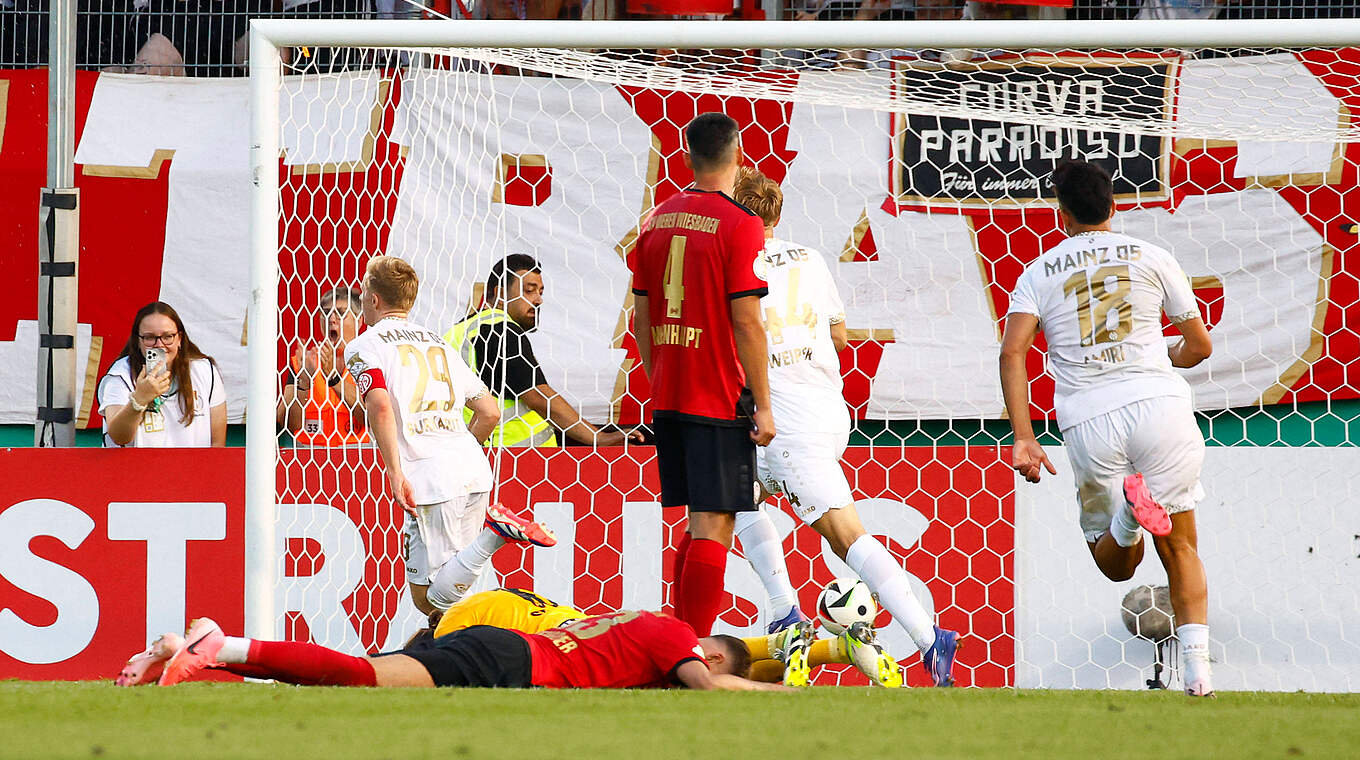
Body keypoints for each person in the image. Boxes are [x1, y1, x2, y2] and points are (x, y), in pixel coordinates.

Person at [729, 169, 960, 688]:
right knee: (737, 495)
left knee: (844, 536)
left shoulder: (732, 264)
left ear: (734, 210)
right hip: (826, 411)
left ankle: (928, 638)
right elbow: (837, 331)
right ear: (777, 214)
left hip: (786, 423)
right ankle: (784, 612)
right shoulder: (809, 258)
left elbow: (739, 334)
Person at [1000, 159, 1215, 697]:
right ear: (1114, 205)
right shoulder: (1152, 256)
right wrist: (1165, 354)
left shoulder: (1039, 272)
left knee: (1116, 566)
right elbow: (1199, 345)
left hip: (1092, 416)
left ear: (1061, 213)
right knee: (1182, 548)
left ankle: (1125, 519)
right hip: (1158, 404)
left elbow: (1013, 352)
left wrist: (1025, 438)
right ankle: (1199, 677)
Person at [344, 255, 558, 616]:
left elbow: (379, 406)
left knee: (429, 599)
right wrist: (463, 450)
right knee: (455, 596)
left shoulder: (366, 345)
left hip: (430, 477)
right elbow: (488, 410)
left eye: (365, 289)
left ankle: (494, 535)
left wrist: (396, 473)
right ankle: (453, 665)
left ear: (374, 298)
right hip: (472, 469)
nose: (363, 297)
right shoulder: (437, 341)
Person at [629, 112, 775, 638]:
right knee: (716, 522)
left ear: (686, 156)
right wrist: (763, 402)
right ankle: (686, 654)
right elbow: (747, 321)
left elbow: (641, 317)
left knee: (699, 520)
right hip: (717, 394)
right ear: (738, 153)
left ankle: (678, 637)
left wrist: (659, 372)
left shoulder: (657, 219)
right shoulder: (741, 224)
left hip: (670, 390)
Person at [116, 611, 787, 692]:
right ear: (713, 653)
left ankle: (208, 648)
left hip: (503, 647)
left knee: (356, 679)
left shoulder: (638, 621)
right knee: (359, 679)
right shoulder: (678, 637)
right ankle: (222, 642)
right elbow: (710, 691)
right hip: (510, 664)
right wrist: (785, 696)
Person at [445, 255, 642, 447]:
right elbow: (538, 396)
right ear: (501, 293)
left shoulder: (457, 332)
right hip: (516, 458)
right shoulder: (501, 329)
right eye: (529, 291)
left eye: (540, 292)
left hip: (473, 453)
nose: (539, 300)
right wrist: (598, 438)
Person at [97, 301, 226, 448]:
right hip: (136, 469)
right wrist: (139, 401)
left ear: (179, 338)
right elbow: (119, 437)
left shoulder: (204, 370)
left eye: (167, 336)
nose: (159, 345)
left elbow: (217, 443)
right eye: (149, 338)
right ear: (138, 341)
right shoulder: (120, 376)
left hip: (192, 469)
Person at [276, 286, 369, 446]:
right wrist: (303, 384)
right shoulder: (304, 362)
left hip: (359, 459)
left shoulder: (369, 361)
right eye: (325, 313)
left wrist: (334, 380)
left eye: (340, 313)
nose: (332, 319)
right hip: (309, 459)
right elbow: (289, 424)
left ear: (359, 320)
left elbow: (371, 419)